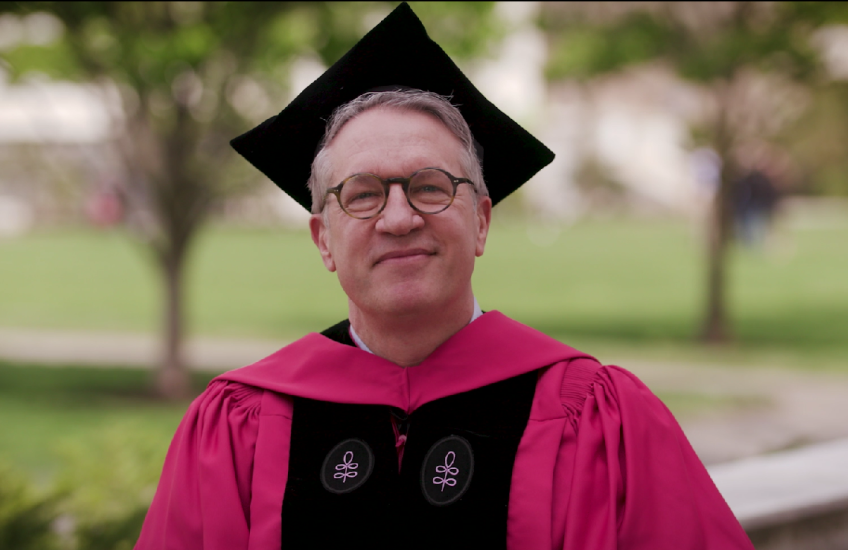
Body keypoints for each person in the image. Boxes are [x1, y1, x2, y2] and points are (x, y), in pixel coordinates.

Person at [135, 4, 754, 549]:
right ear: (323, 239)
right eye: (363, 194)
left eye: (432, 187)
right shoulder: (237, 426)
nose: (399, 219)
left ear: (481, 221)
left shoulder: (600, 418)